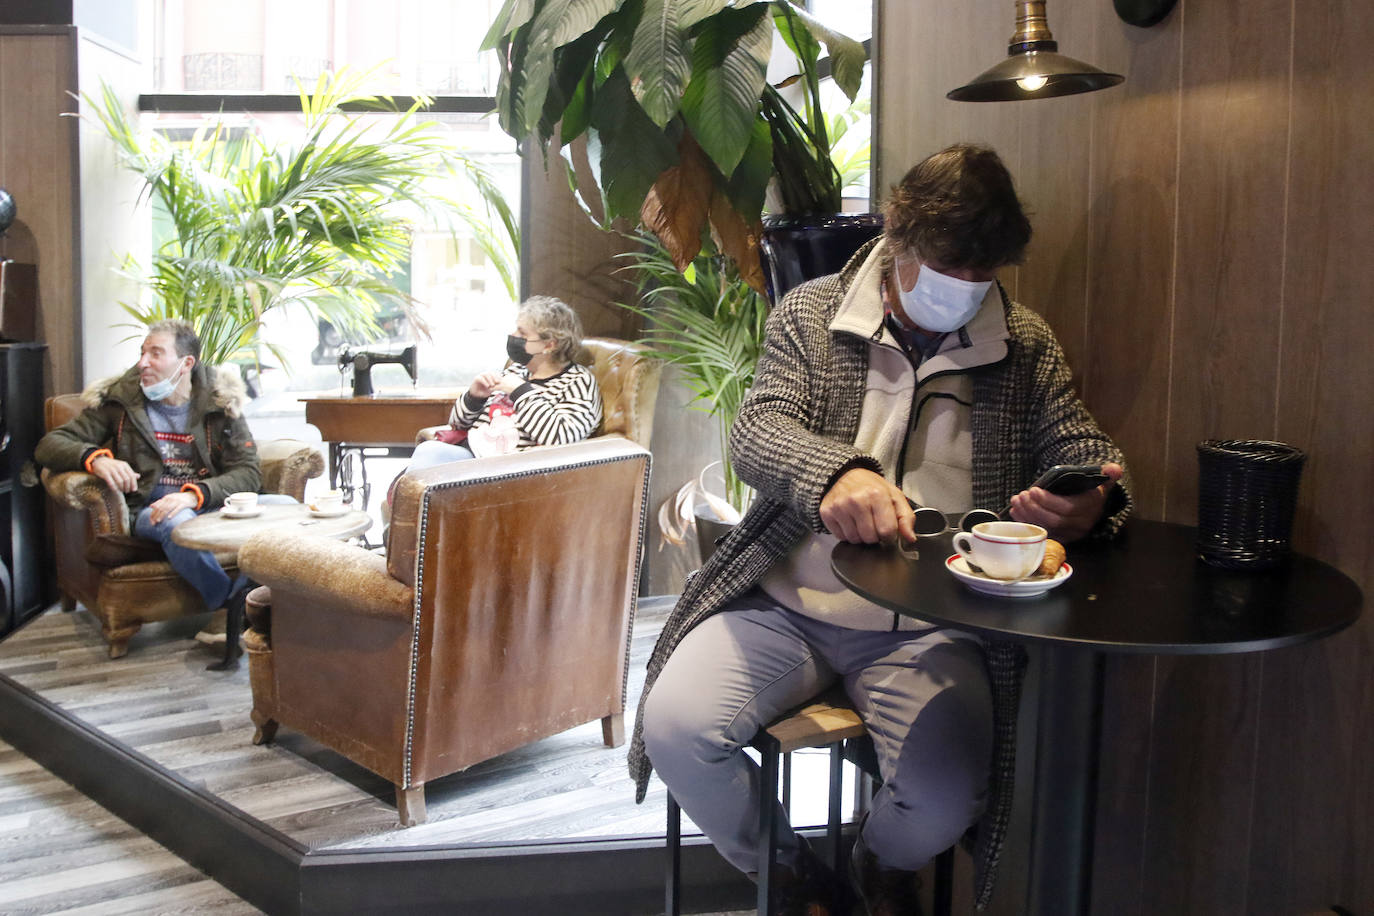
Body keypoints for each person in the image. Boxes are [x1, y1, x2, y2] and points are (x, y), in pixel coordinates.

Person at [631, 144, 1132, 915]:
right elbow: (759, 430)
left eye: (982, 276)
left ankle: (877, 860)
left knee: (945, 796)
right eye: (947, 268)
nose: (964, 290)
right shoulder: (813, 313)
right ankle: (792, 875)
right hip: (787, 603)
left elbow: (1079, 448)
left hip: (936, 626)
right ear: (899, 233)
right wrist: (836, 475)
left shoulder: (1023, 344)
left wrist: (1090, 497)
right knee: (676, 729)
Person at [34, 319, 276, 643]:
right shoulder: (120, 402)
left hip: (209, 505)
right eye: (142, 352)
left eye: (156, 354)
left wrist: (194, 495)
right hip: (154, 509)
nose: (143, 362)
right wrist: (96, 458)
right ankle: (231, 607)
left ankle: (246, 610)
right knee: (176, 519)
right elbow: (49, 445)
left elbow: (248, 472)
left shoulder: (220, 401)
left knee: (288, 510)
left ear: (186, 363)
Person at [403, 295, 602, 471]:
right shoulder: (516, 371)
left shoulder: (578, 382)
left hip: (512, 471)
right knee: (427, 460)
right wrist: (474, 397)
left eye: (523, 333)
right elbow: (457, 423)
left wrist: (521, 392)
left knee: (429, 455)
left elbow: (561, 438)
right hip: (473, 457)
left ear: (549, 345)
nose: (513, 336)